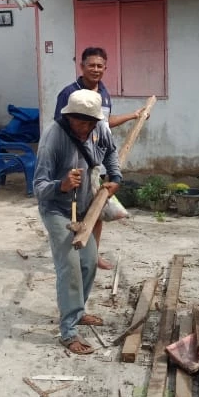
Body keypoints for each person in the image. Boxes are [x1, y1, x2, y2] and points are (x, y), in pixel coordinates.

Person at [34, 89, 122, 355]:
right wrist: (60, 185)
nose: (84, 127)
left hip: (84, 207)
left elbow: (111, 152)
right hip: (57, 209)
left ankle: (78, 310)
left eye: (89, 122)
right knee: (69, 267)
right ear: (69, 116)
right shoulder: (53, 138)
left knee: (89, 262)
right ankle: (69, 331)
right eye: (78, 121)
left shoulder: (100, 129)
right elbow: (38, 186)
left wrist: (115, 177)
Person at [53, 46, 146, 270]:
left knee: (97, 210)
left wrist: (133, 116)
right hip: (76, 161)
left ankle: (93, 257)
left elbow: (105, 122)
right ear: (82, 66)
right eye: (91, 65)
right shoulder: (69, 94)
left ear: (105, 68)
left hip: (98, 161)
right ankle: (71, 258)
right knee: (74, 210)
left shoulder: (103, 92)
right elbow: (60, 127)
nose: (95, 69)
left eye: (100, 66)